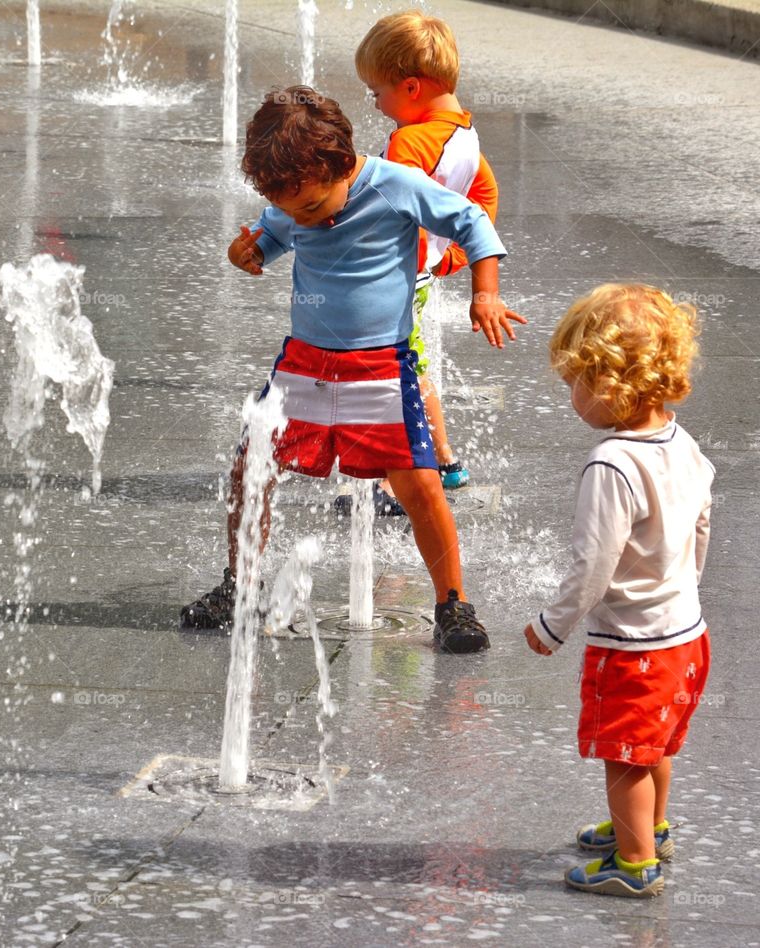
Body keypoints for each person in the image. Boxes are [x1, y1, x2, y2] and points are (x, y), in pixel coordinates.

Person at [180, 86, 524, 653]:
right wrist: (247, 254)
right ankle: (241, 585)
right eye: (291, 210)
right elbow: (268, 237)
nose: (303, 220)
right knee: (252, 469)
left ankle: (453, 603)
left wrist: (484, 293)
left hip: (380, 370)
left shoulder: (394, 185)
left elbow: (472, 224)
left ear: (341, 164)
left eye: (312, 208)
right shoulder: (298, 198)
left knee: (419, 485)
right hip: (304, 365)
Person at [524, 284, 714, 897]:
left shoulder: (611, 463)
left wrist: (554, 624)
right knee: (655, 742)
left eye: (575, 381)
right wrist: (681, 586)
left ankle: (634, 867)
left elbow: (594, 563)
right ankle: (650, 829)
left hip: (634, 647)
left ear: (609, 384)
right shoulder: (682, 443)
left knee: (625, 753)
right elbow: (701, 526)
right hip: (687, 636)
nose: (570, 395)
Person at [351, 10, 501, 511]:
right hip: (419, 273)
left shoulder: (409, 141)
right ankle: (445, 461)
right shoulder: (465, 135)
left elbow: (386, 205)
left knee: (397, 372)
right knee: (411, 366)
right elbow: (484, 195)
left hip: (394, 277)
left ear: (411, 87)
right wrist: (450, 255)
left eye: (378, 92)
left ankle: (401, 479)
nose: (376, 105)